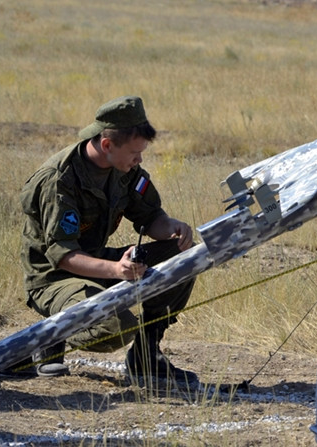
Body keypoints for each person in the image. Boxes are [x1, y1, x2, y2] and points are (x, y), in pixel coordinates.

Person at [20, 95, 198, 388]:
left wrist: (172, 228)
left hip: (99, 264)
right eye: (134, 152)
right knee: (116, 326)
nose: (139, 160)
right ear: (107, 145)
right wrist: (117, 270)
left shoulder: (124, 169)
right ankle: (50, 335)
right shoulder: (58, 180)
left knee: (186, 256)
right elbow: (63, 256)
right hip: (54, 278)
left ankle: (146, 356)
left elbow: (150, 217)